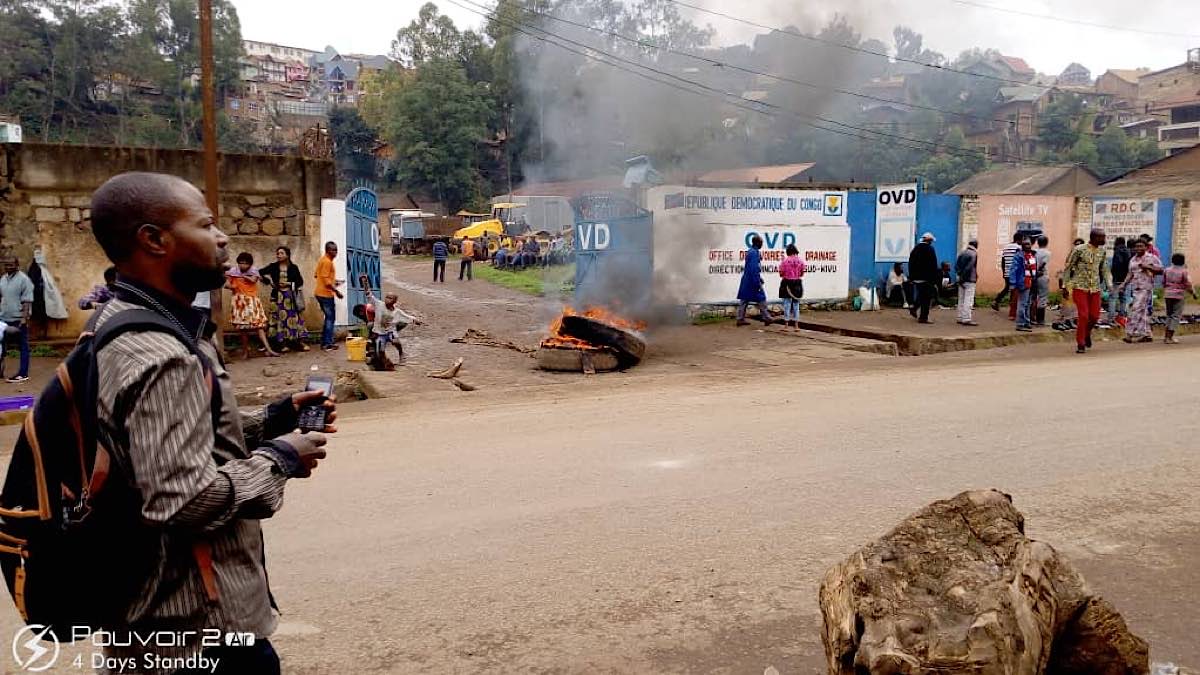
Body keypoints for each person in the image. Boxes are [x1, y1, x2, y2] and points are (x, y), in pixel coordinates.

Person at [87, 172, 335, 674]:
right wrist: (280, 458)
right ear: (154, 240)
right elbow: (184, 499)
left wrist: (273, 418)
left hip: (155, 627)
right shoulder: (160, 353)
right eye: (205, 225)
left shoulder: (121, 320)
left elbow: (170, 436)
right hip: (199, 634)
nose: (222, 238)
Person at [1063, 229, 1113, 353]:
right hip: (1080, 287)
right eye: (1101, 237)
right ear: (1093, 237)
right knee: (1084, 316)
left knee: (1095, 317)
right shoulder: (1079, 249)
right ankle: (1080, 343)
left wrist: (1109, 284)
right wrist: (1065, 286)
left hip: (1095, 288)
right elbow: (1068, 267)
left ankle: (1087, 333)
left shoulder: (1102, 251)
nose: (1104, 239)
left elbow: (1105, 269)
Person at [227, 252, 279, 360]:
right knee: (242, 329)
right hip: (239, 301)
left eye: (245, 263)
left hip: (252, 301)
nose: (243, 265)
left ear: (250, 264)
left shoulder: (253, 271)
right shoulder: (233, 271)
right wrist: (232, 286)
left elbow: (253, 280)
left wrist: (242, 276)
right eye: (241, 263)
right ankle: (246, 352)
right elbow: (226, 284)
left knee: (259, 326)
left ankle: (268, 349)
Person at [359, 275, 421, 365]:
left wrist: (415, 320)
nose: (387, 299)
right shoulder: (378, 304)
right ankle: (380, 359)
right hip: (379, 333)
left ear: (395, 301)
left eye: (390, 298)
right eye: (387, 297)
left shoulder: (397, 312)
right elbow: (369, 294)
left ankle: (401, 354)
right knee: (380, 351)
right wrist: (365, 283)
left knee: (396, 341)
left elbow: (407, 317)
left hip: (390, 332)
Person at [259, 246, 309, 353]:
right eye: (278, 253)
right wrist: (269, 282)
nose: (279, 255)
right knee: (278, 319)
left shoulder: (293, 267)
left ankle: (298, 342)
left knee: (293, 318)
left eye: (281, 253)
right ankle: (281, 344)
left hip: (289, 298)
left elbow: (300, 282)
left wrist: (289, 284)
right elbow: (259, 272)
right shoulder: (273, 266)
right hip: (277, 297)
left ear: (287, 255)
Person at [1119, 238, 1163, 344]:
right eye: (1136, 246)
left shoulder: (1151, 258)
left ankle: (1129, 334)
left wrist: (1148, 267)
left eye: (1141, 246)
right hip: (1135, 288)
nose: (1138, 248)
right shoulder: (1133, 260)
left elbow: (1161, 270)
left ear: (1146, 247)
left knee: (1136, 309)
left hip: (1146, 288)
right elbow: (1130, 273)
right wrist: (1123, 284)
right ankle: (1147, 334)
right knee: (1142, 311)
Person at [0, 256, 34, 383]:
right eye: (6, 265)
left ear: (17, 265)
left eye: (11, 264)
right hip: (3, 318)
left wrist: (24, 318)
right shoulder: (3, 279)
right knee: (1, 344)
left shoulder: (24, 280)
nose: (8, 267)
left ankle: (23, 373)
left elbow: (27, 301)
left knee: (23, 346)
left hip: (18, 319)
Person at [736, 235, 773, 327]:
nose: (762, 244)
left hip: (747, 280)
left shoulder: (750, 251)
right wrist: (757, 281)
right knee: (761, 298)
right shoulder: (754, 253)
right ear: (757, 243)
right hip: (752, 280)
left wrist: (759, 278)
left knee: (744, 299)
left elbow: (751, 268)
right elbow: (753, 268)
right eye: (761, 242)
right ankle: (767, 318)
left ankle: (740, 319)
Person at [314, 241, 343, 351]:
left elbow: (317, 275)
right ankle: (327, 343)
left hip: (320, 293)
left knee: (328, 318)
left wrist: (334, 281)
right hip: (325, 294)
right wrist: (337, 291)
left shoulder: (322, 260)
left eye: (336, 250)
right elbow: (326, 281)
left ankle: (326, 342)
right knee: (330, 319)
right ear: (327, 250)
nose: (335, 252)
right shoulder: (327, 262)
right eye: (333, 250)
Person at [1162, 253, 1197, 344]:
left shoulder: (1167, 270)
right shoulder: (1184, 271)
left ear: (1172, 261)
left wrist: (1167, 289)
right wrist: (1193, 293)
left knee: (1169, 315)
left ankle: (1166, 336)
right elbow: (1188, 284)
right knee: (1175, 316)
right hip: (1178, 295)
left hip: (1168, 294)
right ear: (1183, 261)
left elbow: (1163, 282)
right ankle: (1170, 337)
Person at [907, 232, 939, 324]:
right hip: (927, 278)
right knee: (926, 298)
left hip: (916, 278)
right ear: (929, 241)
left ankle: (914, 307)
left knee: (921, 295)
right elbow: (933, 265)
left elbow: (911, 263)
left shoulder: (915, 249)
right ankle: (923, 317)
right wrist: (934, 279)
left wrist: (912, 277)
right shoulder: (930, 249)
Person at [1009, 236, 1037, 332]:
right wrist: (1012, 283)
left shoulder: (1031, 255)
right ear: (1022, 246)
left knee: (1027, 304)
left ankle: (1026, 322)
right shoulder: (1019, 256)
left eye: (1029, 244)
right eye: (1025, 244)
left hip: (1031, 282)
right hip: (1023, 282)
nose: (1028, 246)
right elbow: (1013, 270)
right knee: (1022, 303)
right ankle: (1020, 324)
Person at [992, 233, 1023, 316]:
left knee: (1007, 288)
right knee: (1014, 290)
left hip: (1007, 272)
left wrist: (1004, 272)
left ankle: (997, 301)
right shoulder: (1018, 248)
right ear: (1019, 240)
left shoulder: (1006, 247)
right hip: (1015, 273)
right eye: (1022, 240)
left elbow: (1003, 261)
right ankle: (1011, 308)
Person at [778, 244, 805, 328]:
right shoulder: (800, 261)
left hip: (786, 283)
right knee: (796, 304)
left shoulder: (785, 261)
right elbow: (802, 273)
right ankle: (796, 325)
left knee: (787, 304)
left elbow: (781, 273)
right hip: (797, 283)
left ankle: (786, 325)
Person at [955, 239, 979, 326]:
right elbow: (969, 267)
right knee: (968, 299)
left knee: (961, 299)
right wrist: (964, 277)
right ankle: (966, 318)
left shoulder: (962, 253)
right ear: (976, 245)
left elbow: (956, 266)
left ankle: (960, 317)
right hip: (969, 279)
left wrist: (959, 276)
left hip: (961, 279)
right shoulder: (973, 254)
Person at [1110, 236, 1132, 324]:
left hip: (1117, 278)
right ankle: (1122, 316)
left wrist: (1113, 275)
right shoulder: (1128, 251)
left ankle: (1111, 317)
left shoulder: (1117, 251)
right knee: (1123, 298)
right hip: (1125, 278)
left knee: (1113, 297)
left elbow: (1116, 265)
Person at [1034, 236, 1052, 326]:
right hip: (1042, 276)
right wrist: (1039, 271)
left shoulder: (1034, 252)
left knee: (1033, 296)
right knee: (1042, 297)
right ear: (1047, 243)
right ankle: (1040, 320)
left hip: (1033, 275)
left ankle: (1032, 317)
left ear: (1038, 243)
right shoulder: (1047, 253)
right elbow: (1043, 264)